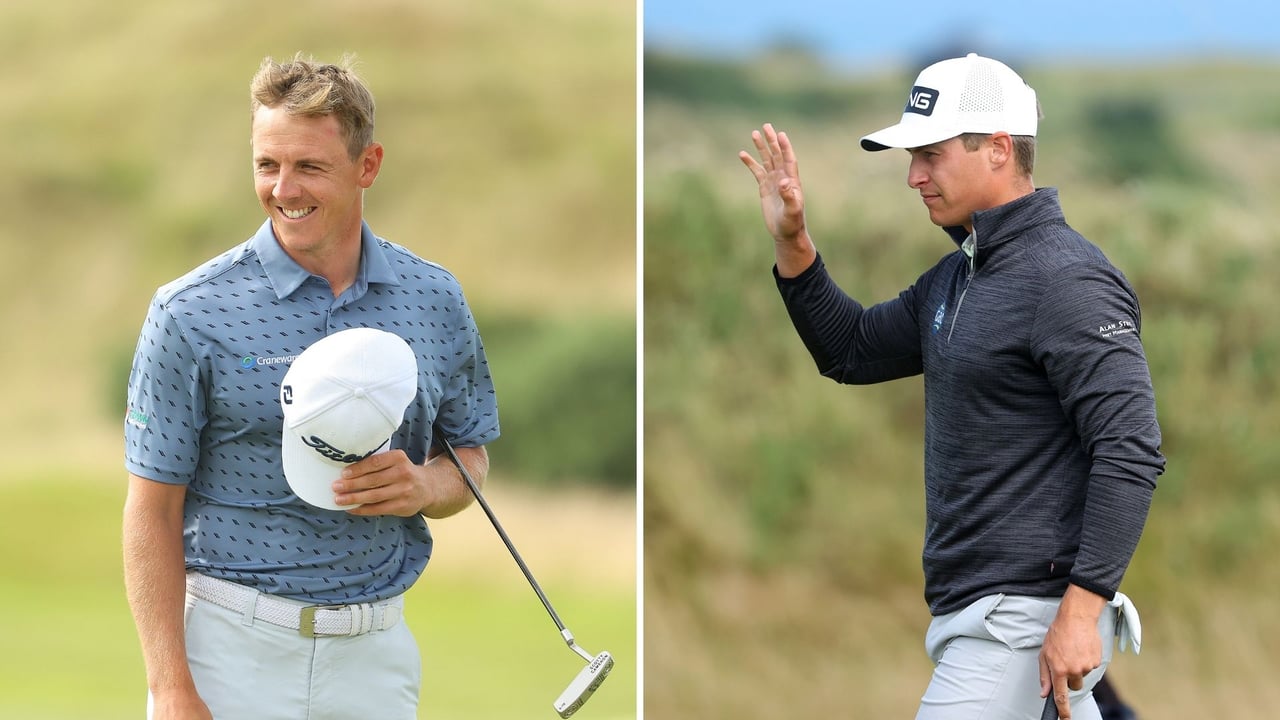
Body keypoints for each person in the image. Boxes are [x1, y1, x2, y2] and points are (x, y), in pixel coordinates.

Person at [739, 53, 1163, 720]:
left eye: (930, 155)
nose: (913, 177)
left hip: (1025, 622)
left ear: (997, 149)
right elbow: (850, 350)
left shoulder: (1068, 280)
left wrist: (1081, 612)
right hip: (980, 619)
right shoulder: (958, 279)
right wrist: (793, 241)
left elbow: (1130, 447)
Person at [123, 54, 500, 720]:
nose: (283, 189)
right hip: (230, 651)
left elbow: (470, 453)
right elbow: (151, 510)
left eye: (310, 167)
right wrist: (170, 686)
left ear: (369, 166)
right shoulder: (190, 311)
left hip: (374, 658)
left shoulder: (434, 298)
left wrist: (428, 485)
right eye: (268, 165)